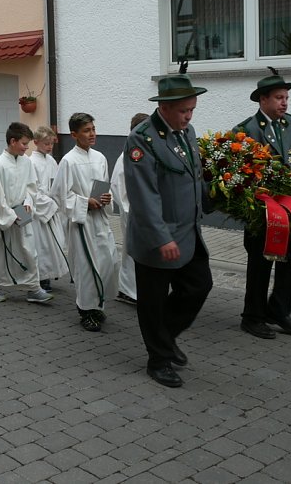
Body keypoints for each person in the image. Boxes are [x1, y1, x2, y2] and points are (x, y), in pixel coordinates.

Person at [124, 70, 213, 388]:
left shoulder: (185, 132)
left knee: (200, 285)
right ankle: (158, 361)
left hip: (188, 233)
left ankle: (166, 335)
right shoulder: (142, 139)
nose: (188, 117)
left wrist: (212, 198)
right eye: (183, 111)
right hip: (155, 238)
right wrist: (162, 237)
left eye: (192, 110)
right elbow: (144, 195)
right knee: (153, 302)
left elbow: (193, 174)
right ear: (164, 107)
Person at [234, 69, 291, 339]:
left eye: (286, 97)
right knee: (261, 263)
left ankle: (278, 310)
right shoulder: (246, 131)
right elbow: (242, 172)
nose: (284, 102)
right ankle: (253, 317)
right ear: (263, 100)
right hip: (263, 210)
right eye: (278, 97)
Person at [51, 113, 118, 332]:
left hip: (100, 219)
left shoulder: (99, 157)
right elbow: (60, 196)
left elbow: (104, 186)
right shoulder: (68, 161)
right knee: (87, 266)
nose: (92, 134)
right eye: (87, 130)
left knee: (107, 261)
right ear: (74, 134)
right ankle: (86, 310)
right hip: (81, 222)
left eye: (93, 129)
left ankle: (98, 304)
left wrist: (106, 197)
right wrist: (84, 202)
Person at [0, 122, 53, 304]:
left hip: (23, 210)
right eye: (24, 143)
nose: (27, 147)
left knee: (29, 248)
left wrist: (28, 202)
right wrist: (10, 216)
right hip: (5, 214)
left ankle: (33, 287)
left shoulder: (26, 162)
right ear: (12, 141)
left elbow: (32, 186)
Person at [110, 112, 150, 305]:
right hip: (134, 212)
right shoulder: (128, 154)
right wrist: (132, 209)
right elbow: (118, 185)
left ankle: (138, 289)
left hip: (145, 212)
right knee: (133, 251)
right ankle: (128, 290)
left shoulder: (144, 151)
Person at [28, 126, 69, 292]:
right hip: (41, 212)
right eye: (46, 143)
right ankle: (41, 278)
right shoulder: (31, 162)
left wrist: (58, 199)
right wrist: (49, 203)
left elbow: (57, 183)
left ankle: (51, 273)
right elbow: (32, 190)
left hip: (52, 208)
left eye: (51, 143)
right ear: (36, 142)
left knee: (54, 243)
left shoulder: (51, 161)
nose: (49, 147)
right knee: (41, 245)